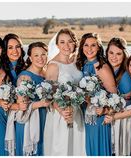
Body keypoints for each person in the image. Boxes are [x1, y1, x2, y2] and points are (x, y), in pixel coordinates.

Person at [44, 28, 86, 156]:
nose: (66, 46)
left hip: (77, 112)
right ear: (57, 45)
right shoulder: (53, 65)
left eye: (70, 42)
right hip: (61, 114)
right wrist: (62, 111)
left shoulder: (76, 61)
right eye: (62, 42)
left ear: (75, 43)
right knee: (62, 148)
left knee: (77, 148)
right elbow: (49, 95)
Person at [5, 42, 50, 156]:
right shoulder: (25, 77)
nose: (40, 58)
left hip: (45, 120)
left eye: (43, 54)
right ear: (30, 57)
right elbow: (21, 108)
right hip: (29, 124)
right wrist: (41, 103)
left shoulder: (48, 74)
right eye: (36, 55)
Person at [76, 33, 117, 156]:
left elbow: (114, 95)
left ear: (99, 47)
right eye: (86, 45)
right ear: (82, 47)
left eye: (93, 45)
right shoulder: (82, 65)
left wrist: (104, 110)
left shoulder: (101, 67)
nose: (89, 49)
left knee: (98, 149)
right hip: (86, 116)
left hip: (98, 118)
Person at [0, 33, 26, 156]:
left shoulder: (24, 68)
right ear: (5, 51)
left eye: (17, 47)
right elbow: (1, 100)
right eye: (10, 48)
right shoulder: (2, 72)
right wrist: (17, 106)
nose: (15, 51)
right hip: (3, 114)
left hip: (18, 115)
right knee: (5, 149)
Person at [105, 37, 131, 156]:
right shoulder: (108, 69)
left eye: (118, 53)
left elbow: (126, 101)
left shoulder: (125, 75)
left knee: (120, 150)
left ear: (124, 55)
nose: (114, 57)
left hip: (122, 119)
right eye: (111, 53)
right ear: (106, 52)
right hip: (111, 117)